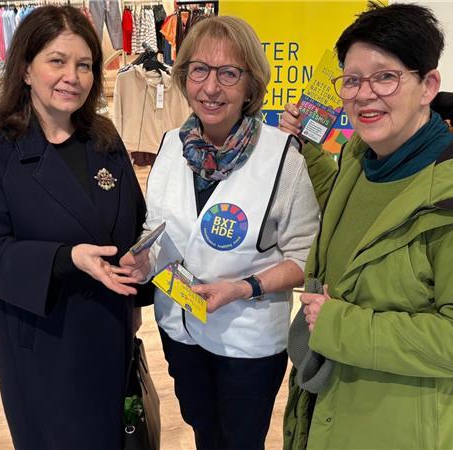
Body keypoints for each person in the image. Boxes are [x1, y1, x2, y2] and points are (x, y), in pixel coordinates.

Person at [278, 3, 453, 449]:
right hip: (336, 405)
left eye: (385, 77)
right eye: (352, 80)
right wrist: (308, 150)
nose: (363, 93)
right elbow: (354, 215)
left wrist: (343, 326)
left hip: (404, 427)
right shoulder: (364, 158)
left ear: (428, 84)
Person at [0, 6, 150, 448]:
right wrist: (68, 258)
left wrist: (142, 260)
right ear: (25, 69)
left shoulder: (103, 137)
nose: (73, 77)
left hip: (110, 332)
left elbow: (135, 220)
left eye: (84, 65)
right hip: (44, 344)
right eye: (57, 61)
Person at [121, 16, 320, 449]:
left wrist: (245, 287)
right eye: (200, 70)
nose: (211, 88)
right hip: (179, 329)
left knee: (241, 440)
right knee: (202, 429)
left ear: (251, 86)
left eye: (229, 73)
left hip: (246, 341)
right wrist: (142, 259)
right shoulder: (172, 145)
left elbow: (306, 258)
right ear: (184, 76)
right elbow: (158, 229)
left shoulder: (281, 157)